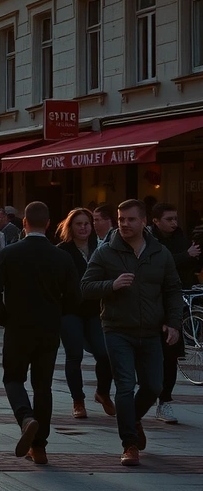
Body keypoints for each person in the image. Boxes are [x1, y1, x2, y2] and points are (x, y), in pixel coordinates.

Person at [82, 199, 182, 466]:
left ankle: (133, 418)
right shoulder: (105, 253)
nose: (124, 224)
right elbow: (86, 287)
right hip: (117, 329)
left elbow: (173, 290)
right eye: (121, 219)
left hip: (151, 332)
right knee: (125, 385)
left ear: (144, 222)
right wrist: (111, 285)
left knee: (153, 385)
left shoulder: (160, 253)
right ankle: (130, 444)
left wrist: (174, 323)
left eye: (131, 219)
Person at [0, 202, 81, 466]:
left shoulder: (11, 253)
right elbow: (74, 296)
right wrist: (57, 315)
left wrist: (5, 318)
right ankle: (40, 448)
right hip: (48, 329)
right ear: (49, 224)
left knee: (13, 378)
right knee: (43, 386)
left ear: (24, 223)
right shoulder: (62, 257)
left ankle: (26, 418)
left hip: (18, 327)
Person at [55, 208, 114, 419]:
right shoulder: (62, 251)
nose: (83, 227)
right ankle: (78, 401)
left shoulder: (101, 249)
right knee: (74, 356)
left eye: (87, 223)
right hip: (70, 311)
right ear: (70, 226)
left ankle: (102, 392)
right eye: (78, 224)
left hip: (96, 311)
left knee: (104, 354)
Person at [149, 202, 202, 424]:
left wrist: (196, 253)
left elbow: (192, 264)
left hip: (176, 303)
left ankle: (165, 402)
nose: (174, 223)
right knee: (151, 357)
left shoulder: (181, 237)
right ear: (156, 221)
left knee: (171, 355)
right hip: (153, 305)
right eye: (169, 219)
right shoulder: (150, 240)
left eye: (175, 219)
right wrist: (186, 255)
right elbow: (161, 263)